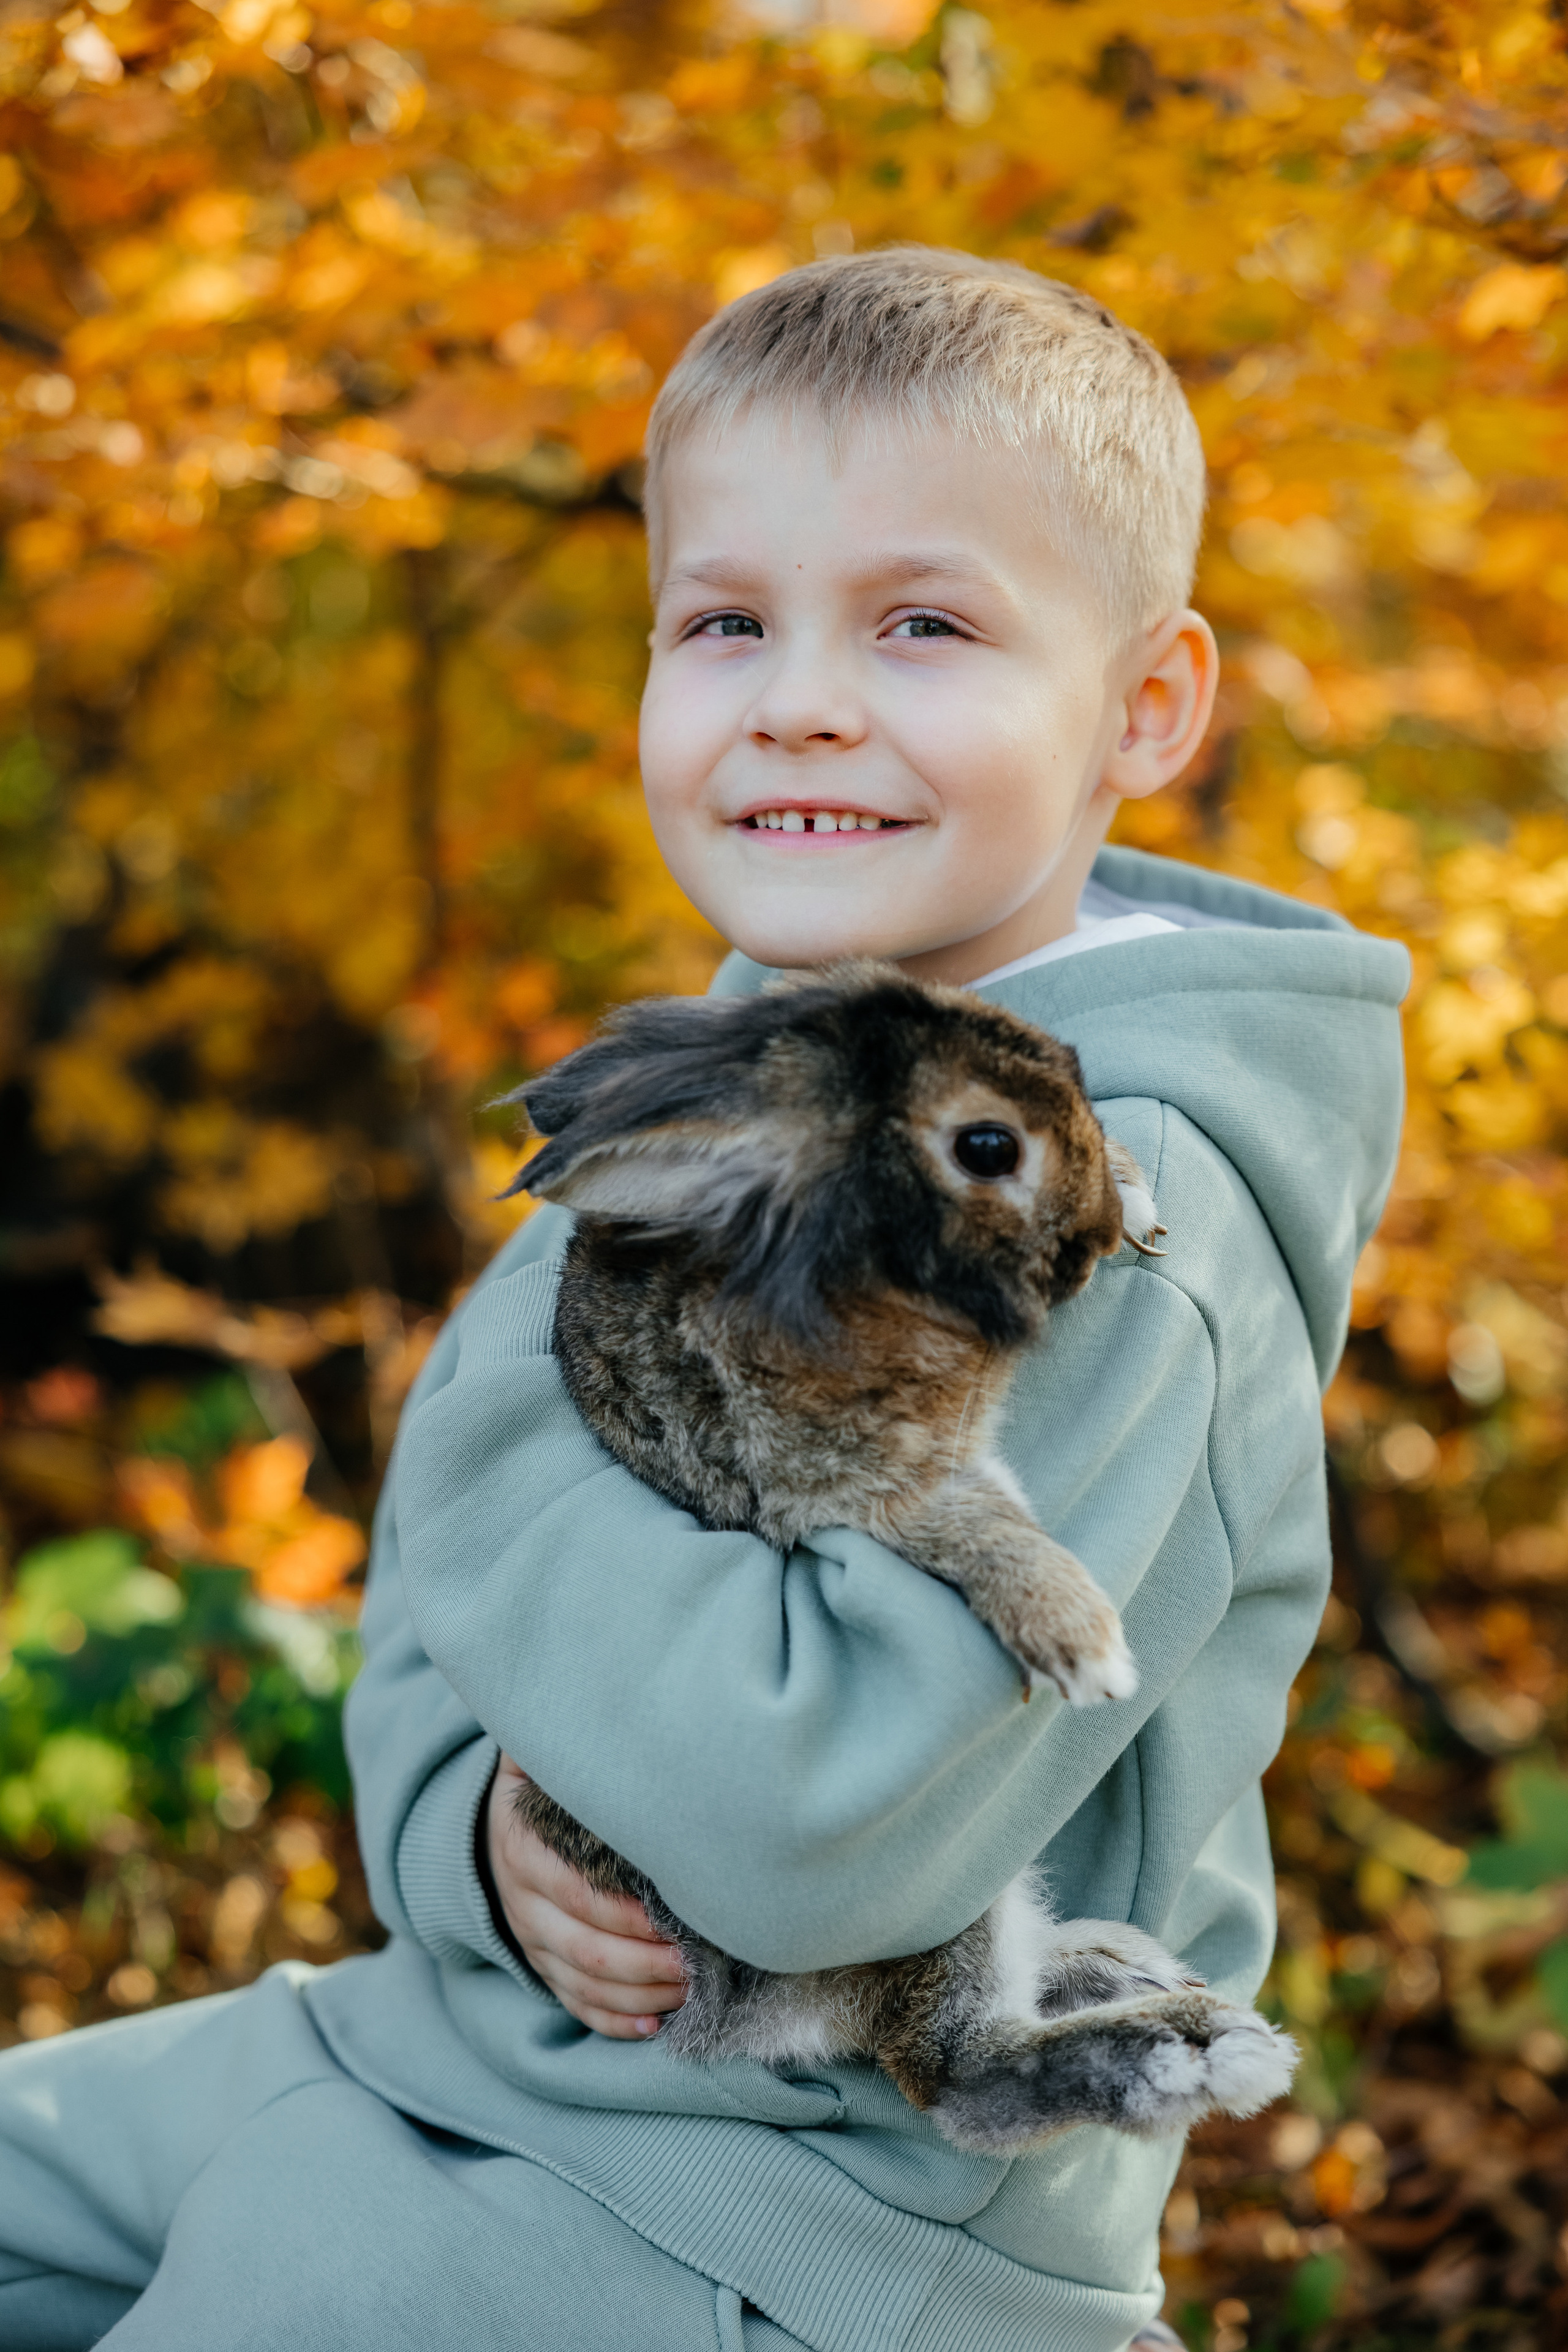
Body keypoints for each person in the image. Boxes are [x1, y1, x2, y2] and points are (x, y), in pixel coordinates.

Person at [0, 249, 1408, 2352]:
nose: (802, 700)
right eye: (726, 622)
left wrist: (481, 1452)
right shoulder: (754, 1062)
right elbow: (425, 1645)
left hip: (767, 2196)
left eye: (922, 626)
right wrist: (475, 1837)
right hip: (466, 2034)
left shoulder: (1106, 1208)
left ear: (1148, 707)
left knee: (280, 2280)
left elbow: (808, 1829)